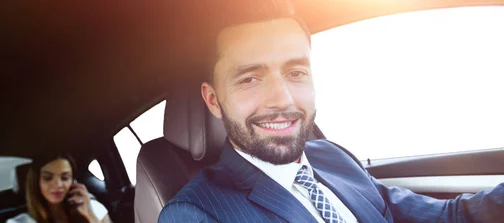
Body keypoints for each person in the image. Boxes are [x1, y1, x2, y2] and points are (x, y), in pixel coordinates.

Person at [158, 0, 504, 222]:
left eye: (296, 73)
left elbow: (453, 216)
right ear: (213, 100)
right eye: (250, 79)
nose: (282, 99)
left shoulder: (331, 158)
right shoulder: (196, 213)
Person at [7, 152, 112, 223]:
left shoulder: (95, 208)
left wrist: (89, 215)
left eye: (65, 178)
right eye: (48, 178)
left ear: (73, 181)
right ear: (36, 182)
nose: (58, 185)